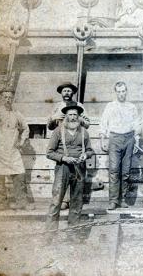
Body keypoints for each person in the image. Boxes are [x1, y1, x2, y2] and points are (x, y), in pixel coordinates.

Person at [45, 102, 94, 230]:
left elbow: (90, 150)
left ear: (79, 117)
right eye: (70, 114)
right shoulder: (58, 131)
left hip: (79, 168)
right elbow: (49, 153)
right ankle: (50, 233)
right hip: (63, 168)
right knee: (56, 200)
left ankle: (73, 230)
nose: (73, 117)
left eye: (75, 115)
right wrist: (64, 158)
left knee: (77, 200)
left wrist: (85, 155)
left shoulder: (84, 132)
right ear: (65, 116)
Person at [0, 87, 34, 210]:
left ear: (12, 98)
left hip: (13, 150)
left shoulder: (17, 114)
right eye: (5, 97)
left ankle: (21, 202)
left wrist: (21, 142)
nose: (7, 100)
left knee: (19, 174)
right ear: (1, 98)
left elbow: (26, 128)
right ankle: (1, 203)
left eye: (10, 97)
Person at [47, 82, 90, 210]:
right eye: (64, 91)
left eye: (69, 91)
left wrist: (76, 117)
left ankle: (75, 200)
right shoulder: (57, 107)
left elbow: (87, 124)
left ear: (73, 93)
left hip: (76, 141)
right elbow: (49, 127)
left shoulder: (79, 106)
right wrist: (54, 117)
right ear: (61, 93)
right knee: (62, 174)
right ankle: (64, 200)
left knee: (76, 174)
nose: (67, 93)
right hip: (61, 144)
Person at [100, 81, 140, 210]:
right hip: (115, 138)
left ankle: (122, 199)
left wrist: (136, 141)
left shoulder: (132, 107)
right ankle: (113, 200)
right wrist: (102, 139)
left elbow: (136, 125)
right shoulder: (110, 106)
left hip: (129, 138)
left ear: (126, 92)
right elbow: (104, 123)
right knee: (114, 170)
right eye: (119, 91)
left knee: (126, 171)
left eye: (123, 91)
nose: (121, 94)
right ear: (116, 92)